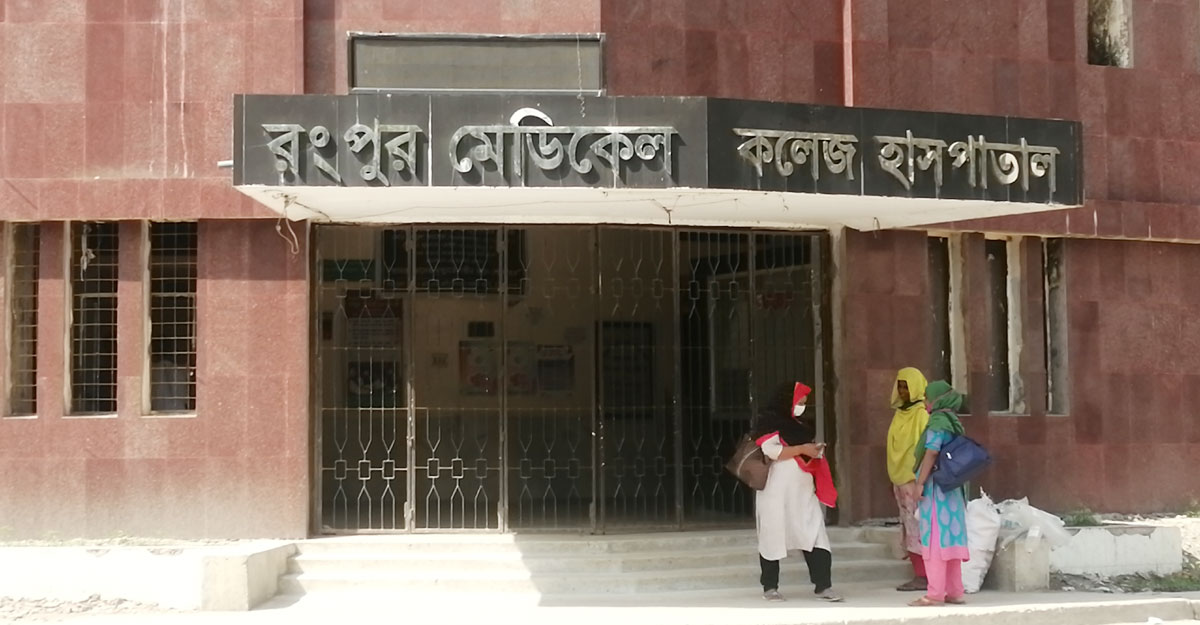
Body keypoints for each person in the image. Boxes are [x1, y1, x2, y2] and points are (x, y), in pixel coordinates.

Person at [753, 382, 842, 603]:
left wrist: (812, 451)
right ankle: (770, 587)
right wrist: (802, 449)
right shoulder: (769, 422)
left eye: (804, 403)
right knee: (772, 535)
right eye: (799, 402)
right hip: (775, 493)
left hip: (802, 493)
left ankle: (823, 586)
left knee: (814, 533)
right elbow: (772, 451)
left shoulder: (800, 426)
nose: (802, 407)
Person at [909, 380, 970, 606]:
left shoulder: (938, 421)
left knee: (935, 539)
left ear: (936, 399)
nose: (925, 402)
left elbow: (932, 452)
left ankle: (934, 594)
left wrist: (919, 483)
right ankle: (955, 591)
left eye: (927, 398)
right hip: (952, 489)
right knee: (951, 540)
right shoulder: (954, 422)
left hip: (936, 490)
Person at [888, 367, 931, 591]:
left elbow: (926, 449)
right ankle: (920, 573)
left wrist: (920, 480)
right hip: (900, 479)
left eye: (907, 386)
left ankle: (924, 576)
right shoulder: (900, 414)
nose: (903, 391)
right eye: (900, 386)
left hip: (914, 480)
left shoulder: (921, 415)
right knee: (909, 526)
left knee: (918, 528)